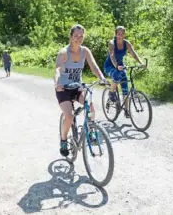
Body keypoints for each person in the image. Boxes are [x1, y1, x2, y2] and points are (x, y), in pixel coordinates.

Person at [54, 24, 107, 157]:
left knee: (90, 107)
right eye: (76, 35)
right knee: (70, 115)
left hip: (77, 87)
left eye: (81, 35)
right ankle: (64, 140)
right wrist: (57, 83)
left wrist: (101, 78)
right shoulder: (64, 53)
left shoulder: (85, 51)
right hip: (64, 89)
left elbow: (94, 67)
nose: (79, 38)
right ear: (71, 37)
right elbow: (58, 69)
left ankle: (90, 131)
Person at [103, 26, 146, 118]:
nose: (120, 36)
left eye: (122, 34)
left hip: (120, 66)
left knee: (125, 89)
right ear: (115, 34)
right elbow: (112, 56)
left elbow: (134, 54)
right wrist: (116, 66)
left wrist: (141, 63)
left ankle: (126, 110)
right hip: (110, 66)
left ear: (124, 34)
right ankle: (111, 93)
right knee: (116, 75)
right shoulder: (111, 43)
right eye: (118, 34)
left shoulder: (126, 43)